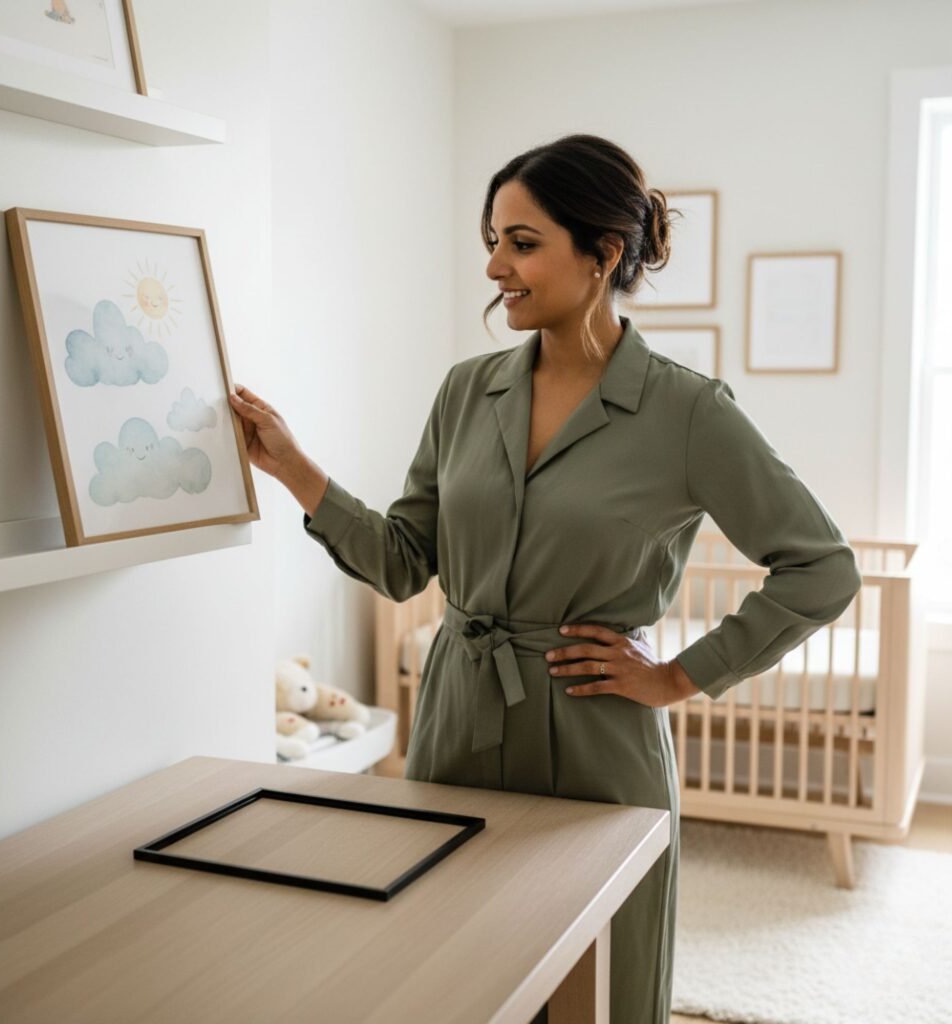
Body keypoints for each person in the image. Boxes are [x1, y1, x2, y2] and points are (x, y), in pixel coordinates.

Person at [228, 133, 862, 1024]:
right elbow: (407, 563)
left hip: (597, 735)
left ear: (603, 253)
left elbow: (821, 568)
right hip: (456, 721)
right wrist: (295, 469)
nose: (495, 266)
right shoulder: (464, 392)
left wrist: (680, 675)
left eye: (521, 243)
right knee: (451, 972)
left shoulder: (687, 411)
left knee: (602, 982)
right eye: (492, 240)